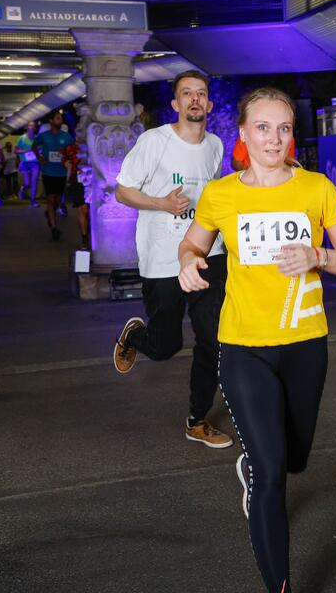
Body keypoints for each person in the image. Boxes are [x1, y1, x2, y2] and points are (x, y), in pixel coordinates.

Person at [178, 86, 336, 593]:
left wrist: (318, 256)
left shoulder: (316, 188)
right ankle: (279, 584)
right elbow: (194, 242)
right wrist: (187, 261)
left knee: (295, 458)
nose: (273, 138)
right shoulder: (221, 195)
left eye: (283, 127)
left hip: (305, 345)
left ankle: (258, 465)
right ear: (242, 134)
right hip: (242, 346)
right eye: (262, 127)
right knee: (271, 471)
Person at [112, 70, 233, 450]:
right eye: (187, 94)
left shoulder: (215, 145)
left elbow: (212, 200)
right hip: (163, 258)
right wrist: (161, 203)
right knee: (165, 347)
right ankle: (136, 335)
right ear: (176, 104)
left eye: (201, 94)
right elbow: (121, 191)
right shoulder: (154, 142)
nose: (195, 100)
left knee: (213, 340)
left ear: (209, 104)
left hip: (206, 254)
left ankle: (197, 420)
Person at [33, 110, 74, 240]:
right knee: (50, 198)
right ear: (51, 121)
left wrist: (68, 159)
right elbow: (34, 146)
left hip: (61, 172)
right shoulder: (44, 136)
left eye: (61, 118)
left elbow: (73, 151)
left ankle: (49, 212)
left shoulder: (66, 137)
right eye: (57, 118)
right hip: (48, 171)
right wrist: (39, 157)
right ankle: (54, 228)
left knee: (57, 199)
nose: (60, 121)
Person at [15, 120, 41, 206]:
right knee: (27, 183)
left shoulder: (37, 138)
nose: (31, 127)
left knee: (34, 182)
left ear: (35, 128)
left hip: (35, 162)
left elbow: (40, 150)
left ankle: (32, 201)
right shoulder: (21, 138)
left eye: (33, 126)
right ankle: (22, 189)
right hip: (24, 163)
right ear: (26, 127)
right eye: (30, 125)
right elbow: (16, 151)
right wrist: (27, 151)